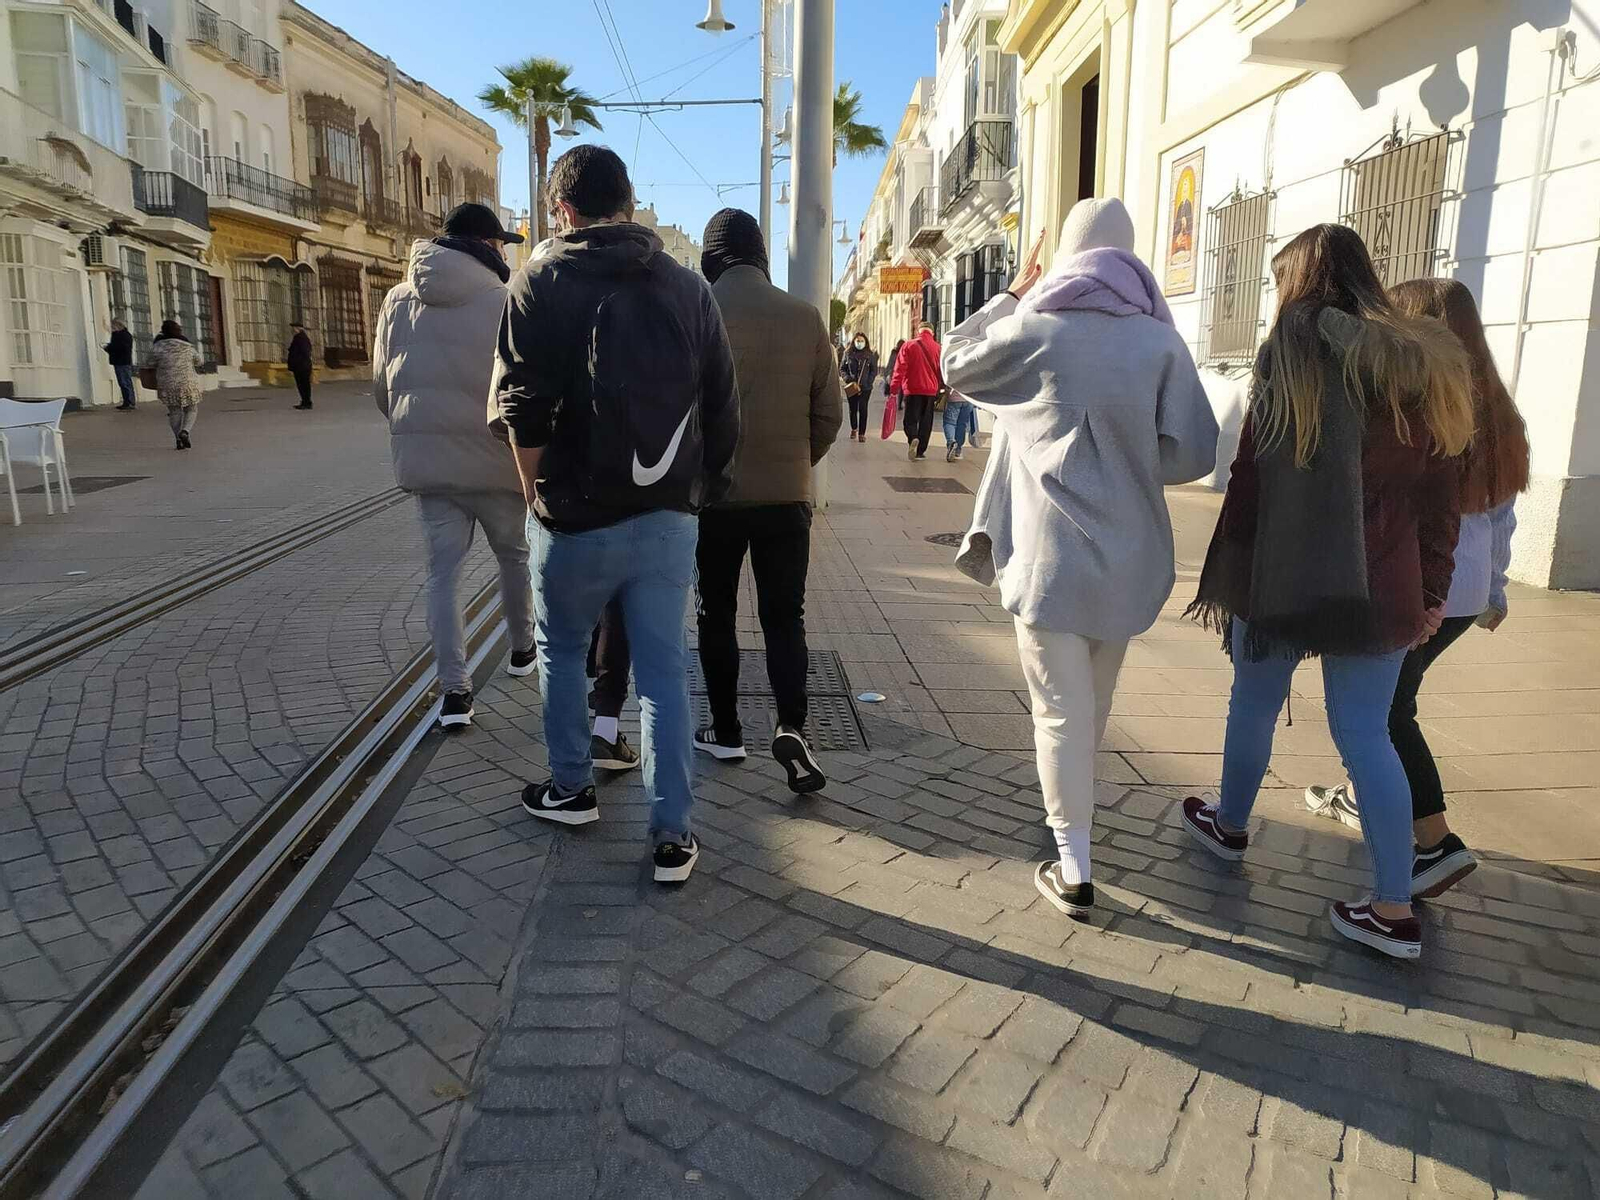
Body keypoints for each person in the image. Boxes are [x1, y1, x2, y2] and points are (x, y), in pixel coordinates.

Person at [1180, 223, 1474, 961]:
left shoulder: (1292, 352)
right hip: (1384, 579)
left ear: (1302, 281)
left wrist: (1234, 574)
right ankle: (1393, 906)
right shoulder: (1419, 361)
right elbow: (1443, 493)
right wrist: (1433, 586)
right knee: (1367, 734)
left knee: (1252, 698)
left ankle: (1231, 824)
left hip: (1286, 570)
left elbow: (1250, 475)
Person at [945, 198, 1219, 921]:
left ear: (1067, 254)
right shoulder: (1160, 342)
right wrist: (1130, 459)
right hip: (1128, 561)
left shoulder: (1035, 329)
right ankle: (1073, 819)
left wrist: (1009, 293)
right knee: (1091, 704)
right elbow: (1195, 450)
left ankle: (1073, 860)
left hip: (1048, 562)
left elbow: (953, 361)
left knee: (1057, 711)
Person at [493, 144, 739, 884]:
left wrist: (533, 494)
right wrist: (701, 493)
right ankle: (672, 836)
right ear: (629, 204)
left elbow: (520, 409)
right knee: (664, 676)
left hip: (573, 514)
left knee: (562, 650)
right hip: (668, 517)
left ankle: (571, 789)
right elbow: (723, 407)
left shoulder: (537, 280)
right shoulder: (689, 289)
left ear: (561, 209)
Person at [1305, 278, 1529, 899]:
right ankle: (1370, 802)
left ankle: (1435, 842)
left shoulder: (1422, 403)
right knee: (1392, 702)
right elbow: (1503, 512)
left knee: (1385, 714)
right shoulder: (1498, 411)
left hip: (1423, 585)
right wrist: (1496, 589)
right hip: (1465, 588)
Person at [373, 201, 539, 732]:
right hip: (496, 464)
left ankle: (454, 693)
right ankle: (521, 650)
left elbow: (384, 389)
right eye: (499, 243)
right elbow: (520, 387)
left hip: (431, 470)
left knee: (442, 576)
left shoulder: (397, 301)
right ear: (488, 246)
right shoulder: (505, 301)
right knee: (514, 558)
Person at [695, 207, 842, 793]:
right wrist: (792, 468)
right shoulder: (804, 318)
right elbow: (829, 414)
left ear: (711, 258)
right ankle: (793, 725)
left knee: (716, 613)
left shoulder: (698, 311)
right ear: (760, 254)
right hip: (786, 500)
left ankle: (727, 730)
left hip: (713, 499)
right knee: (785, 617)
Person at [891, 323, 943, 460]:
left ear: (918, 331)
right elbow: (942, 371)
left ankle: (913, 437)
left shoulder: (908, 345)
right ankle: (920, 451)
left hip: (912, 389)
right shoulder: (938, 348)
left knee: (910, 419)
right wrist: (941, 387)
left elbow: (899, 368)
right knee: (926, 421)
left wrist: (894, 387)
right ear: (932, 332)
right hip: (930, 390)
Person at [151, 320, 203, 450]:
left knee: (174, 411)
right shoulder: (187, 346)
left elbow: (148, 363)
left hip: (167, 383)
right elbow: (199, 361)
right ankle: (185, 431)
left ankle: (177, 439)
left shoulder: (157, 347)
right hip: (187, 383)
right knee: (191, 408)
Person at [840, 332, 878, 443]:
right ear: (854, 342)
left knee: (863, 409)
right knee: (853, 409)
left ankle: (862, 433)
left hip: (865, 388)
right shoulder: (848, 353)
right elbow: (842, 369)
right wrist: (848, 379)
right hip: (852, 386)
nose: (859, 343)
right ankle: (854, 428)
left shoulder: (870, 355)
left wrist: (868, 382)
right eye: (858, 341)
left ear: (865, 342)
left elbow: (873, 370)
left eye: (862, 341)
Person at [106, 320, 136, 411]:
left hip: (122, 362)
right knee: (124, 382)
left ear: (119, 326)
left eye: (113, 326)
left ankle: (129, 402)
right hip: (120, 361)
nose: (112, 328)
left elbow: (122, 348)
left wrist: (109, 348)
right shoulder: (121, 335)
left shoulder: (123, 336)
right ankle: (127, 401)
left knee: (124, 382)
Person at [881, 338, 905, 441]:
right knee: (901, 391)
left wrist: (887, 374)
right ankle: (899, 404)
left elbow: (890, 364)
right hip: (901, 375)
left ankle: (898, 403)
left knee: (898, 391)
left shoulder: (894, 353)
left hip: (895, 375)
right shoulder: (901, 353)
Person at [942, 390, 975, 462]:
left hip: (954, 397)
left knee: (949, 422)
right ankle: (958, 450)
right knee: (962, 425)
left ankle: (951, 442)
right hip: (969, 398)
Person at [287, 324, 314, 410]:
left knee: (303, 385)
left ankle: (306, 402)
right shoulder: (300, 337)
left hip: (301, 366)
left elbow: (305, 352)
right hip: (301, 366)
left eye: (294, 328)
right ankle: (305, 401)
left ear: (298, 328)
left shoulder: (300, 338)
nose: (292, 330)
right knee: (303, 385)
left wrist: (299, 362)